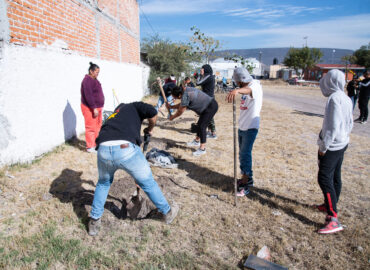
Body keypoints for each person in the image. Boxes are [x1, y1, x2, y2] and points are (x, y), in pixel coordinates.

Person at [88, 102, 179, 236]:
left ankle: (94, 221)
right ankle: (167, 212)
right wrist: (150, 128)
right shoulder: (136, 105)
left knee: (103, 183)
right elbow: (154, 114)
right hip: (125, 148)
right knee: (147, 182)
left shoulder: (114, 116)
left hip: (103, 149)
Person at [315, 69, 353, 234]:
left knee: (324, 177)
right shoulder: (345, 97)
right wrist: (344, 137)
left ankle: (333, 218)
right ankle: (329, 204)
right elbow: (350, 122)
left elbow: (332, 126)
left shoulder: (334, 99)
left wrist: (324, 147)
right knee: (335, 176)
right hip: (342, 142)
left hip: (333, 145)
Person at [226, 67, 263, 197]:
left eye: (237, 82)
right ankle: (247, 178)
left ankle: (245, 186)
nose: (236, 84)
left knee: (245, 155)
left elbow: (249, 90)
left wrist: (237, 91)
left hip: (250, 128)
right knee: (242, 155)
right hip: (242, 127)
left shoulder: (255, 86)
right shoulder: (246, 87)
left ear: (241, 81)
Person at [167, 83, 218, 156]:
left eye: (175, 97)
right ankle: (197, 141)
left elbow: (180, 111)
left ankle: (202, 149)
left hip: (210, 107)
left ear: (179, 95)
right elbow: (182, 104)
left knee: (202, 126)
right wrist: (171, 107)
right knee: (199, 125)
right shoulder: (185, 90)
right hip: (207, 107)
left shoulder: (185, 96)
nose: (175, 99)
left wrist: (172, 117)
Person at [80, 62, 105, 153]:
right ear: (91, 71)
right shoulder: (87, 80)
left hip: (98, 107)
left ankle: (96, 143)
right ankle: (90, 147)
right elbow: (88, 95)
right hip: (90, 108)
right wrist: (93, 108)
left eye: (98, 72)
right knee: (91, 127)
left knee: (98, 126)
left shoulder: (95, 80)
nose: (97, 74)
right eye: (96, 72)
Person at [196, 64, 217, 139]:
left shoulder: (208, 76)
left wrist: (199, 75)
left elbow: (198, 83)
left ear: (205, 69)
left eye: (202, 69)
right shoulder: (208, 76)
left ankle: (213, 133)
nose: (201, 70)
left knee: (208, 115)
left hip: (208, 99)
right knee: (207, 115)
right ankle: (210, 131)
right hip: (207, 98)